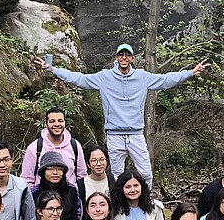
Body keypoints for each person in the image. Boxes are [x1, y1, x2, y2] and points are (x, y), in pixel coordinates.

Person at [36, 44, 209, 188]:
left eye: (128, 55)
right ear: (117, 58)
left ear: (132, 58)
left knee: (146, 172)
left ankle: (145, 202)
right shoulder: (104, 77)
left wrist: (190, 73)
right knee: (116, 174)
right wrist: (53, 70)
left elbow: (165, 80)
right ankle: (117, 205)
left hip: (135, 133)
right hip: (114, 133)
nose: (124, 58)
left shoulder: (142, 77)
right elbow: (79, 79)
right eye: (121, 55)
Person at [21, 107, 87, 188]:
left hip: (69, 197)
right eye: (52, 121)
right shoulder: (35, 147)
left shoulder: (75, 145)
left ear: (65, 123)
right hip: (43, 197)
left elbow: (82, 175)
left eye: (60, 121)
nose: (57, 124)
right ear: (46, 124)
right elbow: (27, 179)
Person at [32, 152, 82, 220]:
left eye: (59, 169)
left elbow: (76, 216)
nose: (55, 172)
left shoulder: (71, 190)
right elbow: (31, 219)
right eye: (50, 168)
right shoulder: (35, 193)